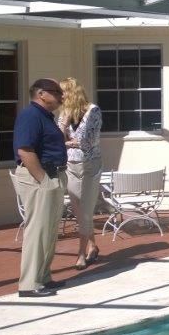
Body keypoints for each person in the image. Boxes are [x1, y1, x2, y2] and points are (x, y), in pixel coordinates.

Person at [11, 78, 68, 297]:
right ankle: (28, 285)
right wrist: (43, 180)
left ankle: (43, 278)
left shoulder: (46, 117)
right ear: (42, 94)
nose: (61, 97)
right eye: (57, 92)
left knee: (50, 230)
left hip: (53, 174)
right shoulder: (30, 115)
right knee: (37, 230)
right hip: (39, 177)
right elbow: (24, 150)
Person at [57, 78, 102, 270]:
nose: (60, 97)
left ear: (72, 93)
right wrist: (65, 126)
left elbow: (86, 141)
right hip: (70, 164)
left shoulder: (93, 111)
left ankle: (81, 253)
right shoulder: (65, 113)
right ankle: (92, 245)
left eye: (63, 93)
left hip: (89, 165)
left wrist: (69, 140)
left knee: (85, 210)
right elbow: (57, 138)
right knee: (78, 211)